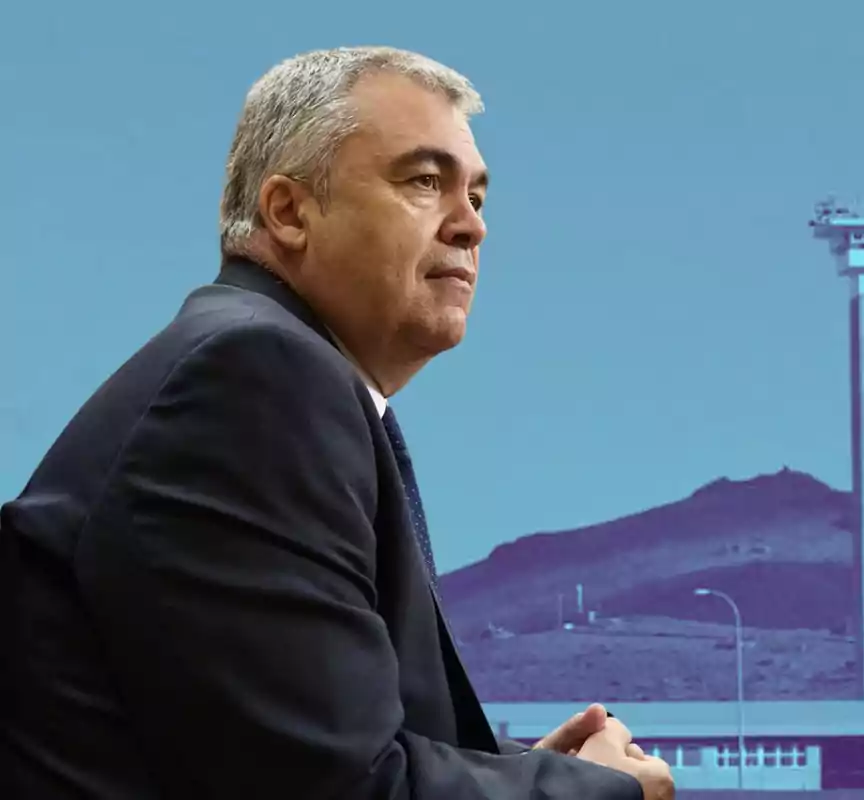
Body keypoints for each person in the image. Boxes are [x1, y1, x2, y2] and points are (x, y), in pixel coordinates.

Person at [0, 46, 674, 800]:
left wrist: (526, 774)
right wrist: (596, 790)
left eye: (479, 197)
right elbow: (343, 787)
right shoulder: (254, 380)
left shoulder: (271, 372)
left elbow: (300, 748)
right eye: (424, 182)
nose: (470, 227)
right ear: (289, 212)